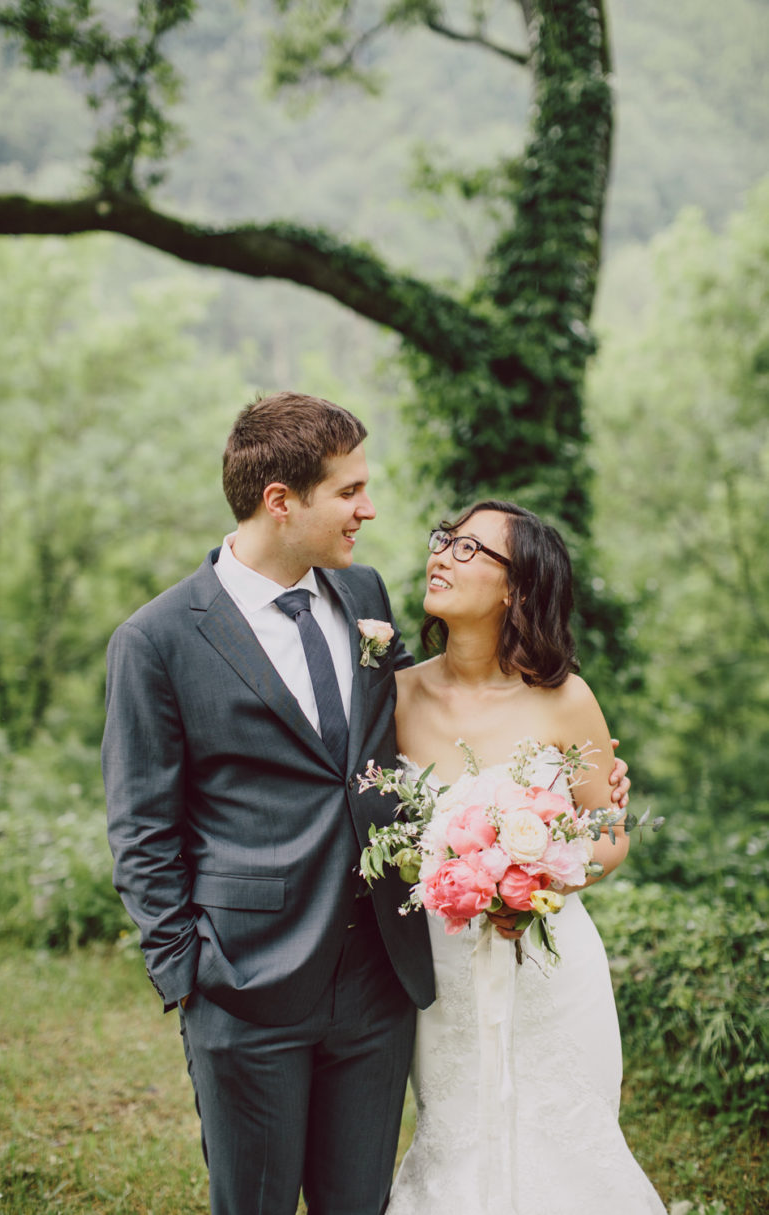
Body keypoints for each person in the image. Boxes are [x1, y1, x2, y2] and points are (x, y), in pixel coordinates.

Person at [103, 395, 630, 1215]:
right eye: (349, 491)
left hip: (382, 984)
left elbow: (426, 741)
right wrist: (190, 975)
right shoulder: (158, 638)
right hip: (246, 983)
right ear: (282, 500)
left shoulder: (365, 598)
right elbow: (140, 828)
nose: (369, 508)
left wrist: (563, 812)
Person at [386, 500, 666, 1215]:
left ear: (517, 588)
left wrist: (537, 876)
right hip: (442, 973)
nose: (442, 554)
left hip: (550, 965)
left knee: (566, 1143)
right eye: (444, 539)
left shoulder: (566, 699)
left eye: (471, 549)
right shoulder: (393, 697)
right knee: (459, 1139)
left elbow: (610, 831)